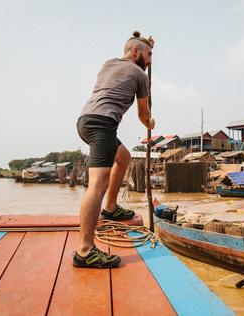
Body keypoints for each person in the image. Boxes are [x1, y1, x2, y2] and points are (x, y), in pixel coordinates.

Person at [73, 31, 155, 268]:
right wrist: (151, 124)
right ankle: (85, 251)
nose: (149, 61)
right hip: (103, 124)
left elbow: (133, 52)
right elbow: (143, 115)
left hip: (85, 120)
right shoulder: (140, 75)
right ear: (136, 52)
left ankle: (110, 209)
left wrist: (144, 45)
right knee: (96, 185)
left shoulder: (108, 63)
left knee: (124, 157)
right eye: (148, 56)